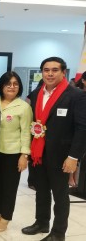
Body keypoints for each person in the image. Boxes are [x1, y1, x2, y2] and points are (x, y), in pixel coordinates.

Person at [21, 57, 86, 241]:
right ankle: (41, 223)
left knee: (60, 196)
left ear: (63, 72)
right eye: (46, 70)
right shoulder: (35, 94)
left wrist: (74, 157)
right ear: (42, 72)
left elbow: (82, 128)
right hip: (39, 154)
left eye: (54, 70)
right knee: (41, 191)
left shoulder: (76, 95)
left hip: (62, 156)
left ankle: (58, 233)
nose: (50, 73)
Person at [0, 71, 32, 232]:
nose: (11, 87)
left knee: (9, 187)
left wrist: (24, 155)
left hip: (13, 154)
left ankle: (6, 217)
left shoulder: (24, 107)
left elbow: (26, 132)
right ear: (1, 86)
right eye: (8, 84)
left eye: (15, 84)